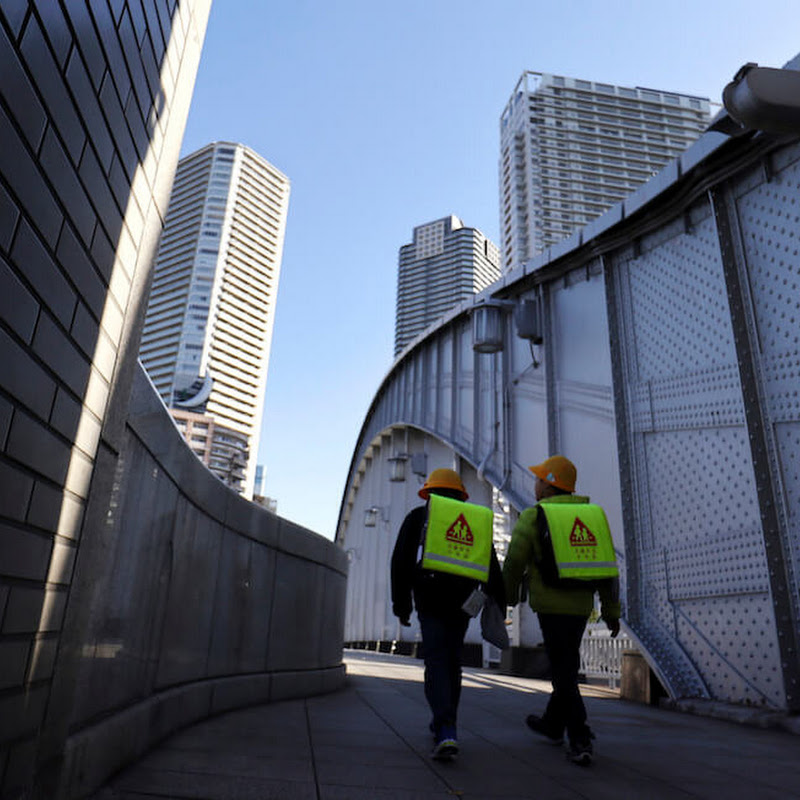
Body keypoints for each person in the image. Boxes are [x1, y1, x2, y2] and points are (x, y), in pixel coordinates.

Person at [502, 455, 620, 766]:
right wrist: (611, 610)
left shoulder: (534, 516)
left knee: (563, 671)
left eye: (539, 479)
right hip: (581, 607)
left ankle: (579, 735)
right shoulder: (593, 517)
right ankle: (553, 724)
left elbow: (514, 561)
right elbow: (608, 569)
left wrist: (509, 596)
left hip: (550, 606)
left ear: (548, 484)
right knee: (566, 663)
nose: (535, 483)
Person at [391, 467, 505, 761]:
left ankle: (445, 726)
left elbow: (400, 563)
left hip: (429, 601)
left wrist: (401, 606)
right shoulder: (475, 521)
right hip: (463, 603)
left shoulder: (419, 517)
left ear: (428, 492)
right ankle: (445, 723)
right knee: (452, 661)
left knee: (437, 660)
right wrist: (500, 602)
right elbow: (492, 565)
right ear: (461, 495)